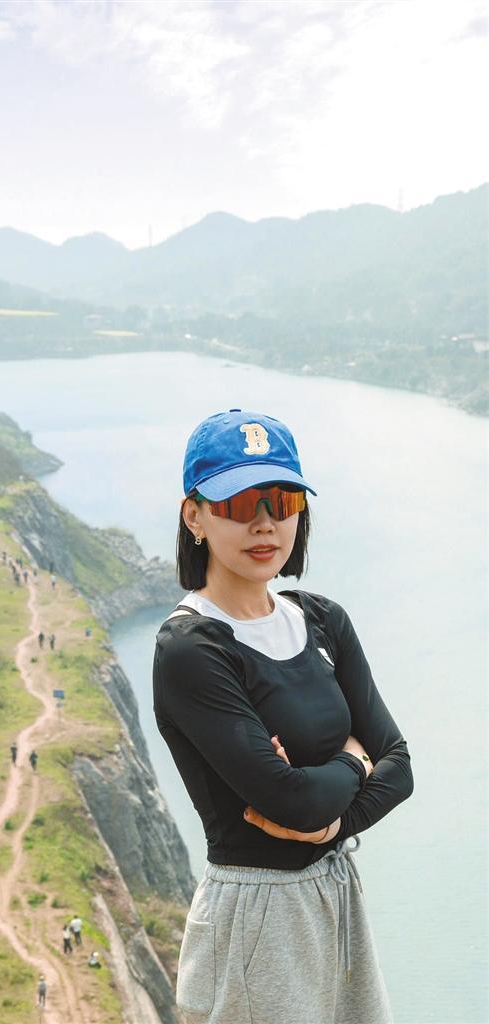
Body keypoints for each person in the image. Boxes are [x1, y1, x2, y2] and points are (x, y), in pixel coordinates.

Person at [153, 409, 414, 1024]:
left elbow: (401, 768)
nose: (265, 522)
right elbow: (290, 801)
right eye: (241, 503)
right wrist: (356, 760)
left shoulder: (322, 619)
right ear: (194, 516)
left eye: (283, 500)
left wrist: (330, 825)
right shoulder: (192, 649)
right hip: (257, 921)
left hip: (338, 894)